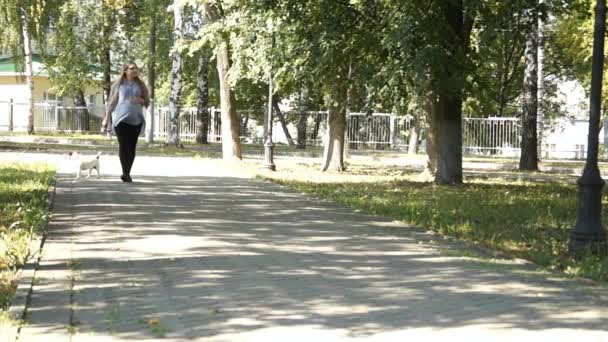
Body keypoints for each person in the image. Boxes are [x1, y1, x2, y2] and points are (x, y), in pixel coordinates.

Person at [102, 62, 150, 183]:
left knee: (132, 147)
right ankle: (125, 172)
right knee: (123, 145)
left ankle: (127, 172)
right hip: (121, 120)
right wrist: (106, 118)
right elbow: (111, 103)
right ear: (125, 70)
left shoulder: (140, 84)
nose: (135, 70)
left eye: (136, 68)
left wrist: (142, 100)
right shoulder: (118, 85)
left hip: (136, 120)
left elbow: (147, 102)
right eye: (132, 68)